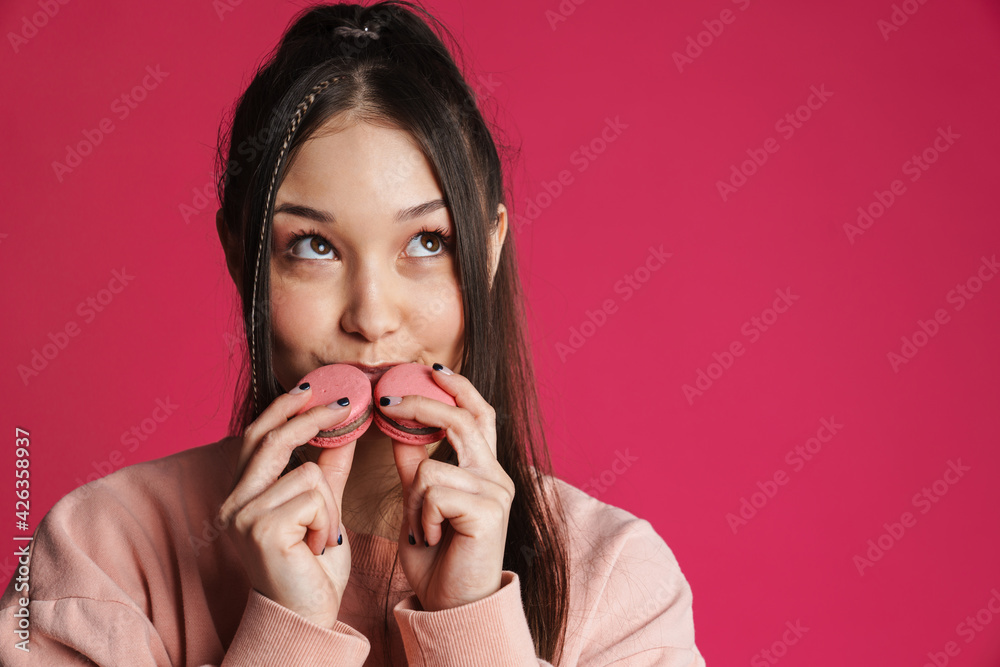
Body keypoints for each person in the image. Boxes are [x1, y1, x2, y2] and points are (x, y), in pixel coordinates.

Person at [0, 2, 705, 664]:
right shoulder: (96, 555)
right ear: (239, 252)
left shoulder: (615, 581)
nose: (370, 318)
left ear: (487, 252)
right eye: (312, 247)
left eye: (428, 241)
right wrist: (286, 631)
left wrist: (472, 622)